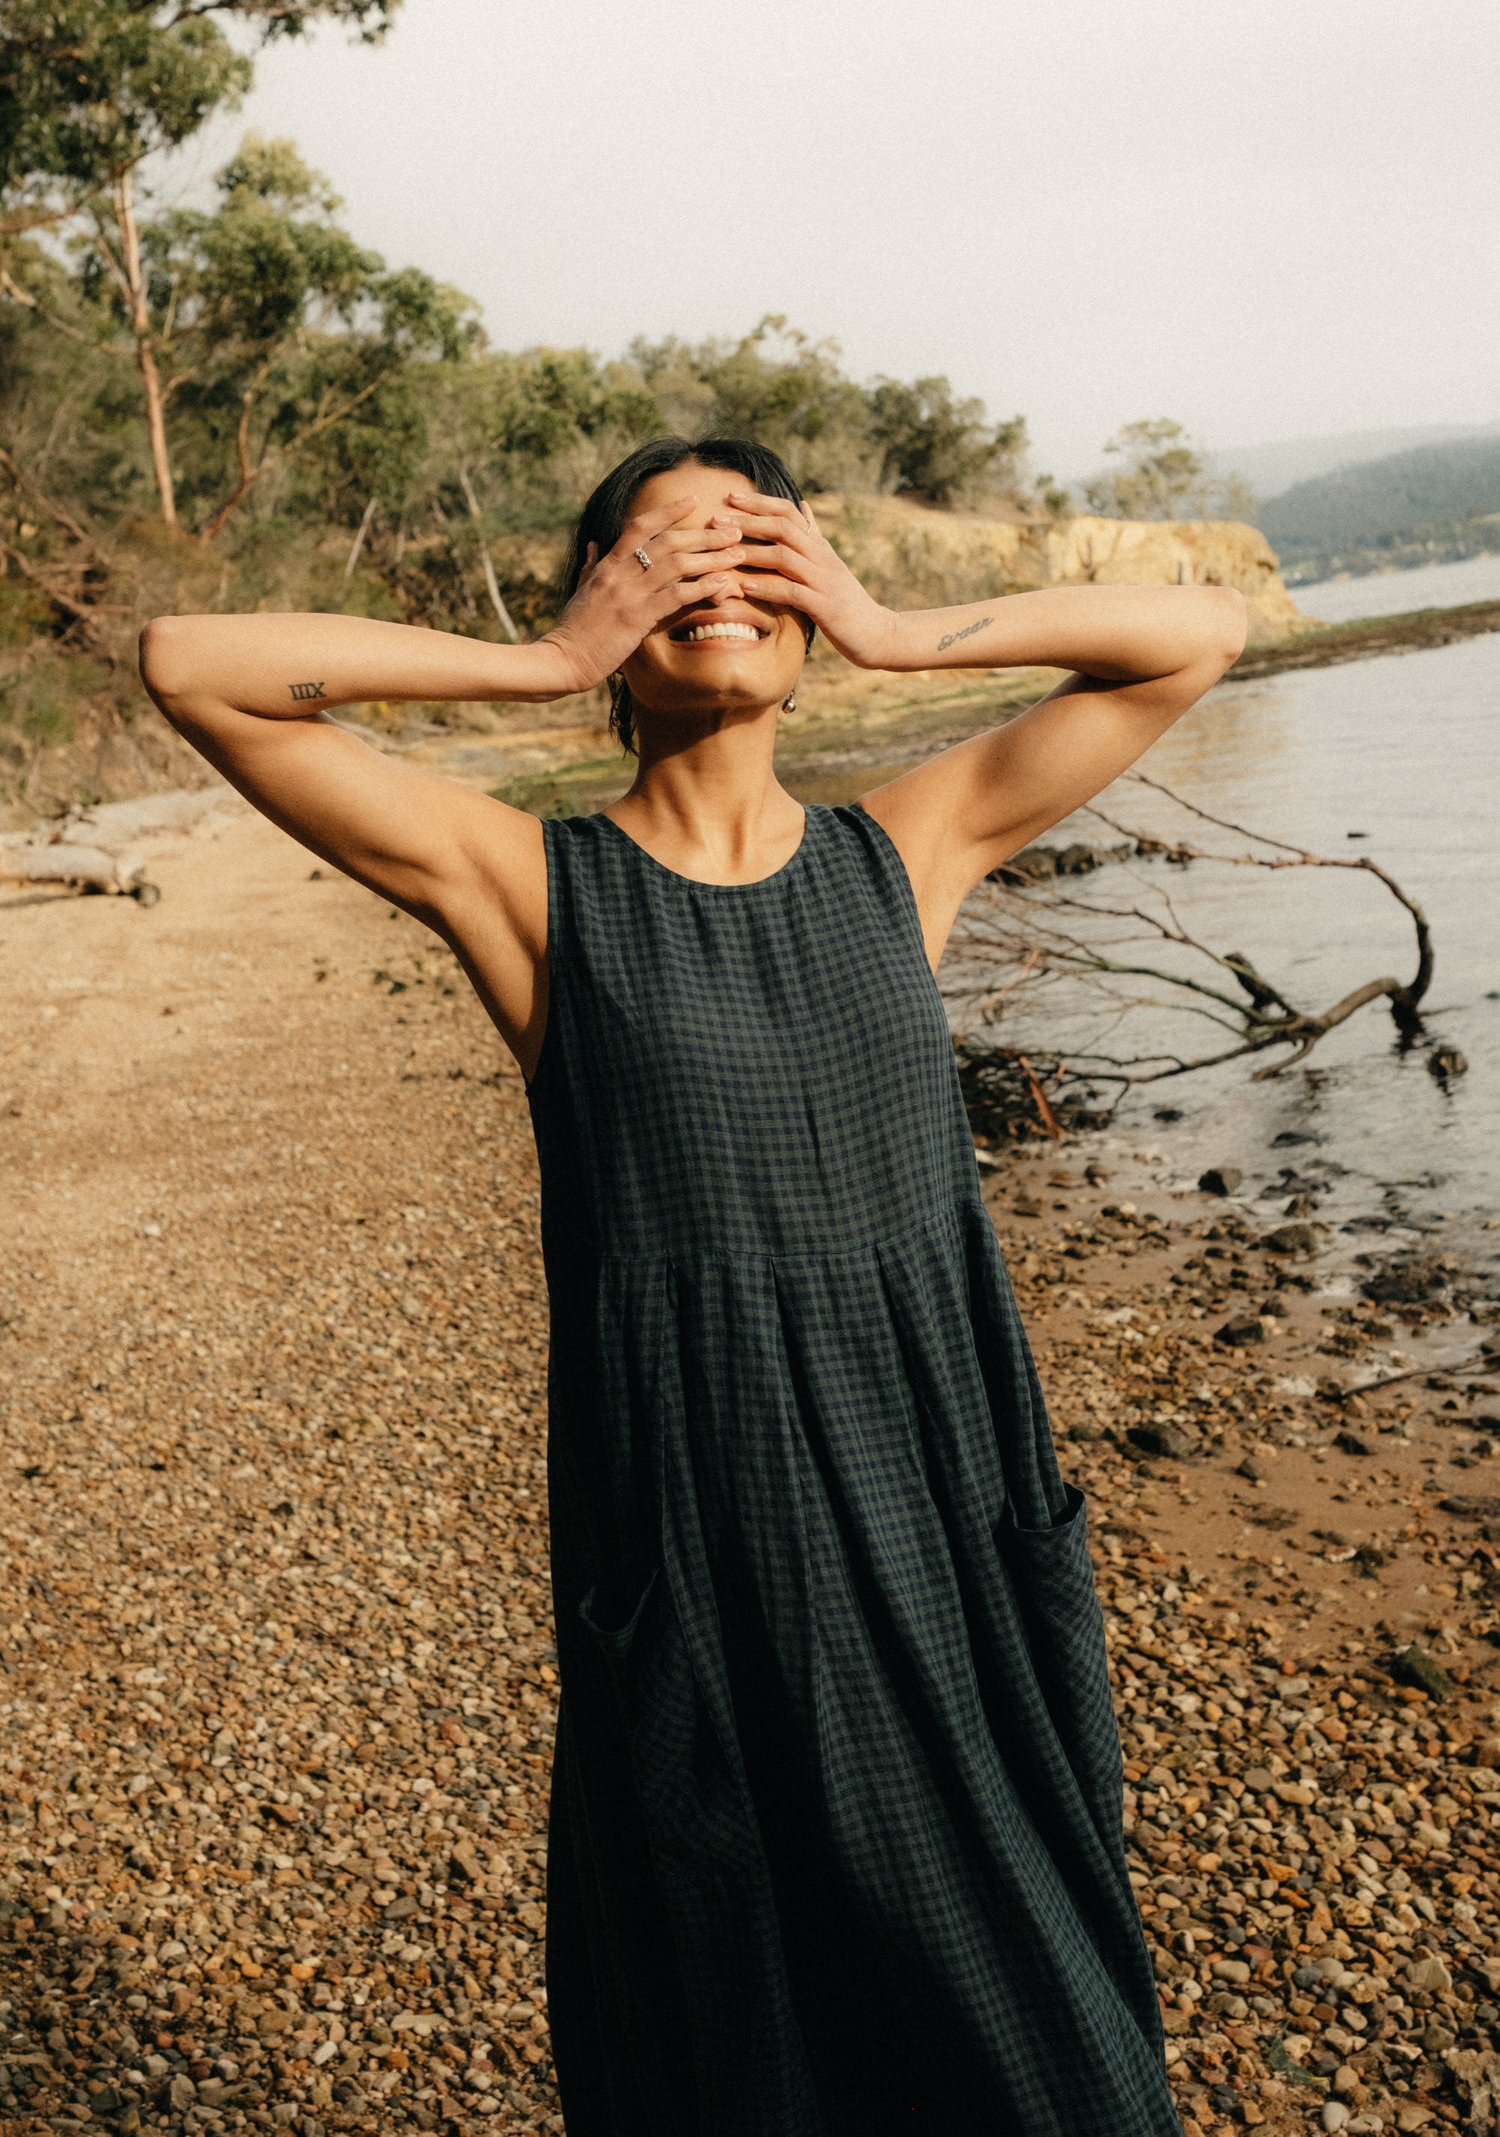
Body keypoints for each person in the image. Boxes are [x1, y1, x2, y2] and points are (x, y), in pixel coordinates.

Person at [141, 434, 1245, 2137]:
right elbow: (191, 666)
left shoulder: (910, 846)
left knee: (1059, 2060)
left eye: (754, 549)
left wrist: (888, 621)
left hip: (950, 1534)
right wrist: (543, 655)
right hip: (706, 1560)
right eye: (663, 554)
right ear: (608, 602)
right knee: (739, 2048)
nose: (711, 580)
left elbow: (1196, 637)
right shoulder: (531, 889)